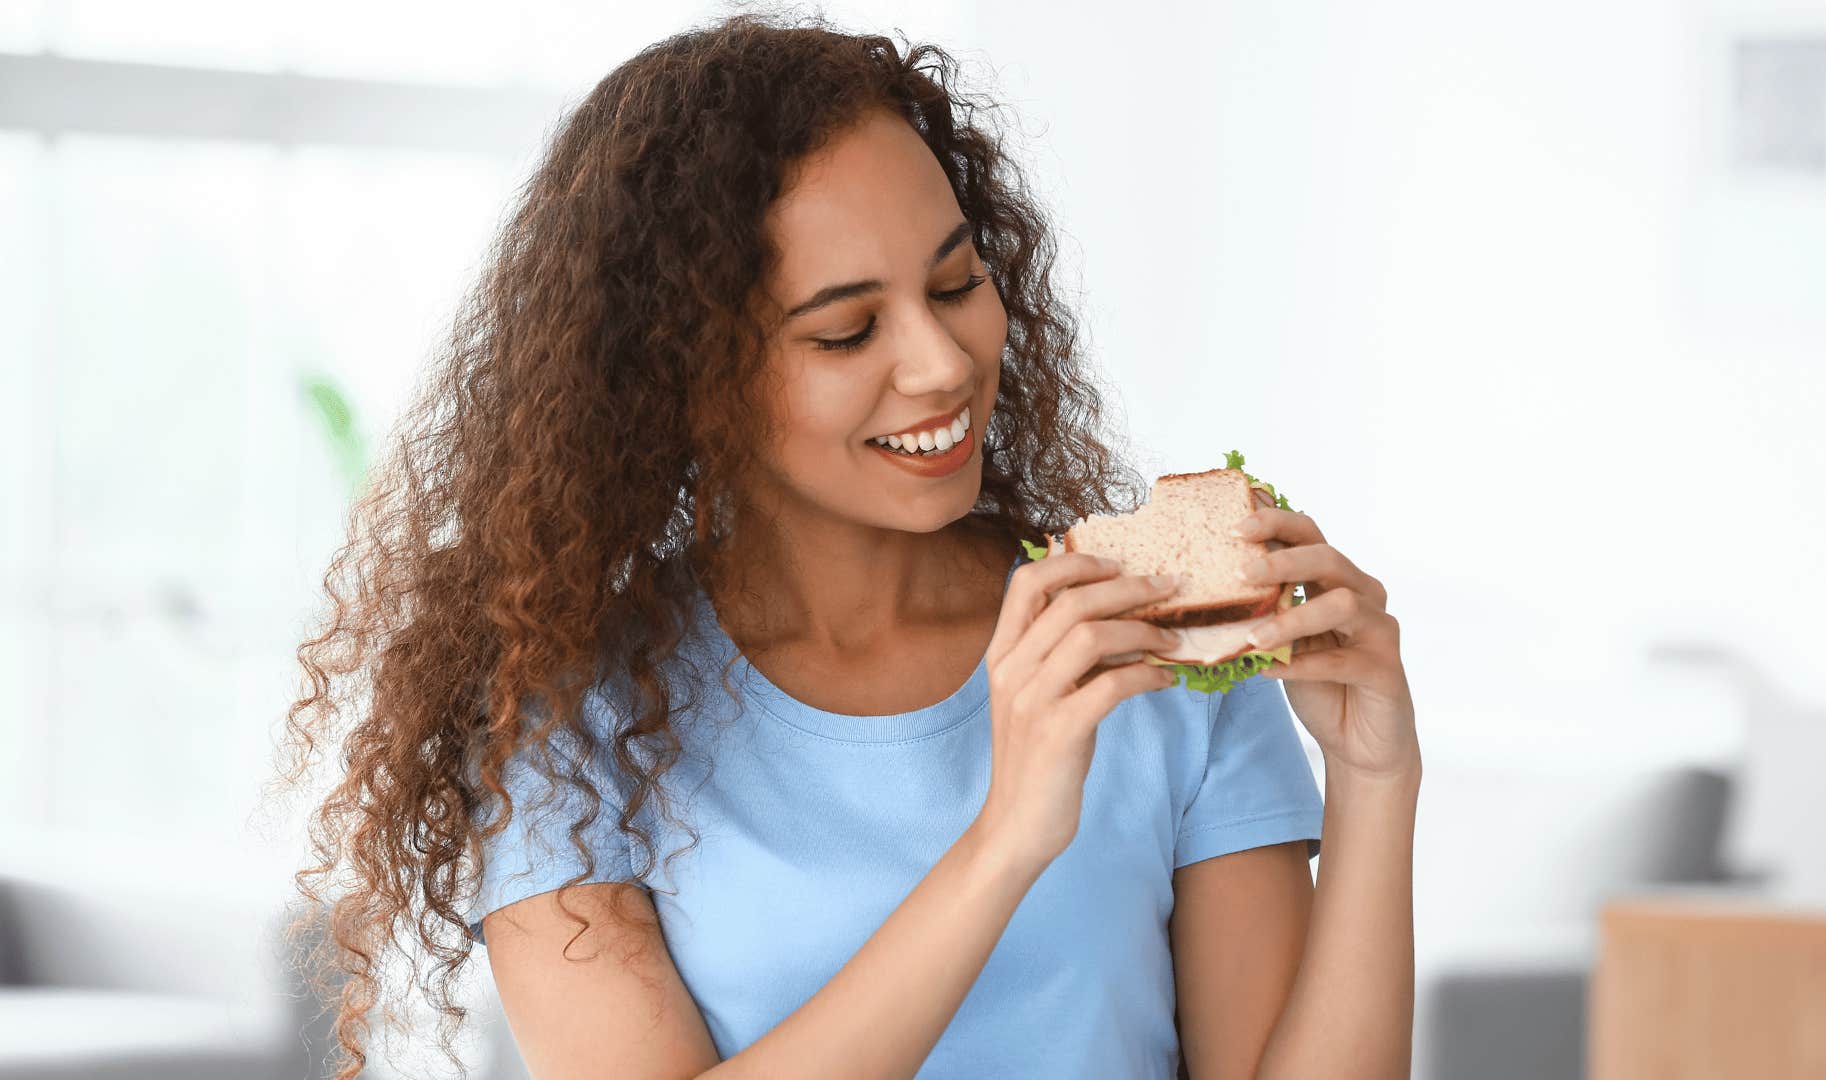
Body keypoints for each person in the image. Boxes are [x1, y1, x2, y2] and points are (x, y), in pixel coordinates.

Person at [268, 10, 1421, 1080]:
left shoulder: (1153, 646)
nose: (942, 362)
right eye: (847, 329)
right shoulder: (571, 720)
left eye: (960, 281)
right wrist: (1005, 840)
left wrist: (1376, 782)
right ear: (685, 376)